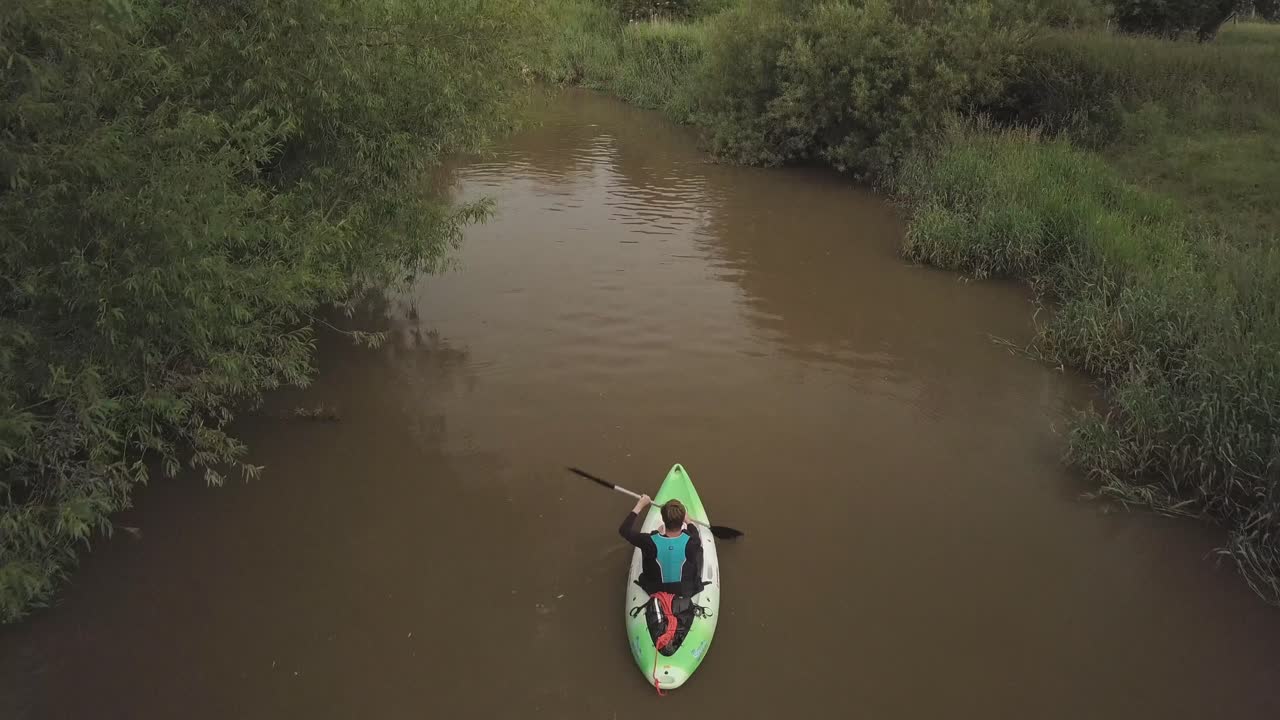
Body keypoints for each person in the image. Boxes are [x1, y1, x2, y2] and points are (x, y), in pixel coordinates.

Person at [618, 493, 704, 597]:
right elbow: (694, 532)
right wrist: (688, 520)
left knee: (649, 547)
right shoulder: (693, 541)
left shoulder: (649, 541)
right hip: (685, 589)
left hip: (654, 589)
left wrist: (640, 505)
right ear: (682, 522)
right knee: (697, 551)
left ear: (663, 519)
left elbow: (624, 530)